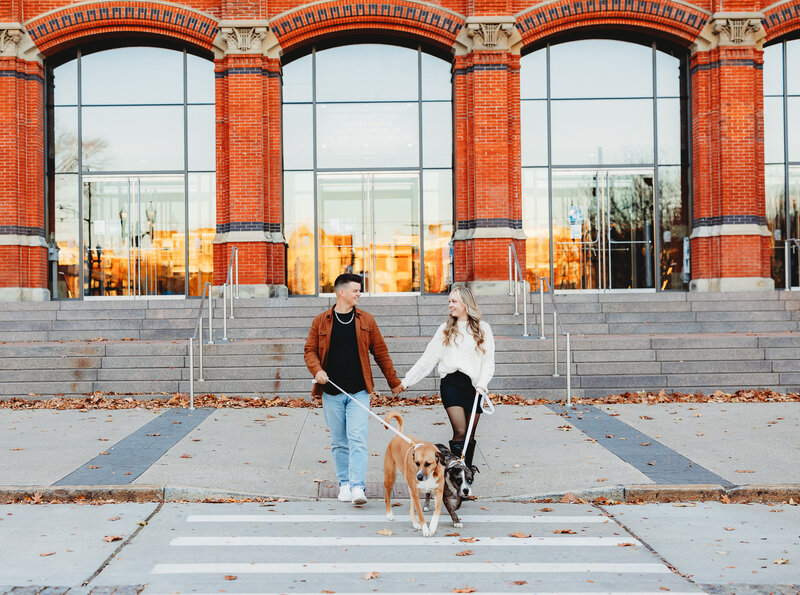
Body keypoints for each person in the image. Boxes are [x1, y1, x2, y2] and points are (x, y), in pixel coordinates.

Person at [304, 272, 404, 505]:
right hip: (331, 392)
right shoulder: (321, 321)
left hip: (359, 391)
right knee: (339, 441)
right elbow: (309, 350)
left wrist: (394, 382)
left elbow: (380, 352)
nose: (359, 294)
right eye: (355, 290)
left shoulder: (366, 320)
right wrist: (317, 371)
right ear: (341, 292)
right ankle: (345, 485)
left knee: (357, 438)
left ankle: (358, 487)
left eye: (359, 290)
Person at [396, 285, 495, 467]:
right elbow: (427, 359)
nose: (450, 305)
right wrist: (407, 381)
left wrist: (482, 385)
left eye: (454, 301)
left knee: (470, 436)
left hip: (475, 387)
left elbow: (488, 362)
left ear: (466, 303)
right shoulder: (445, 329)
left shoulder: (483, 329)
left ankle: (465, 477)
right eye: (449, 301)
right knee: (460, 432)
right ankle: (456, 478)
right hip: (452, 384)